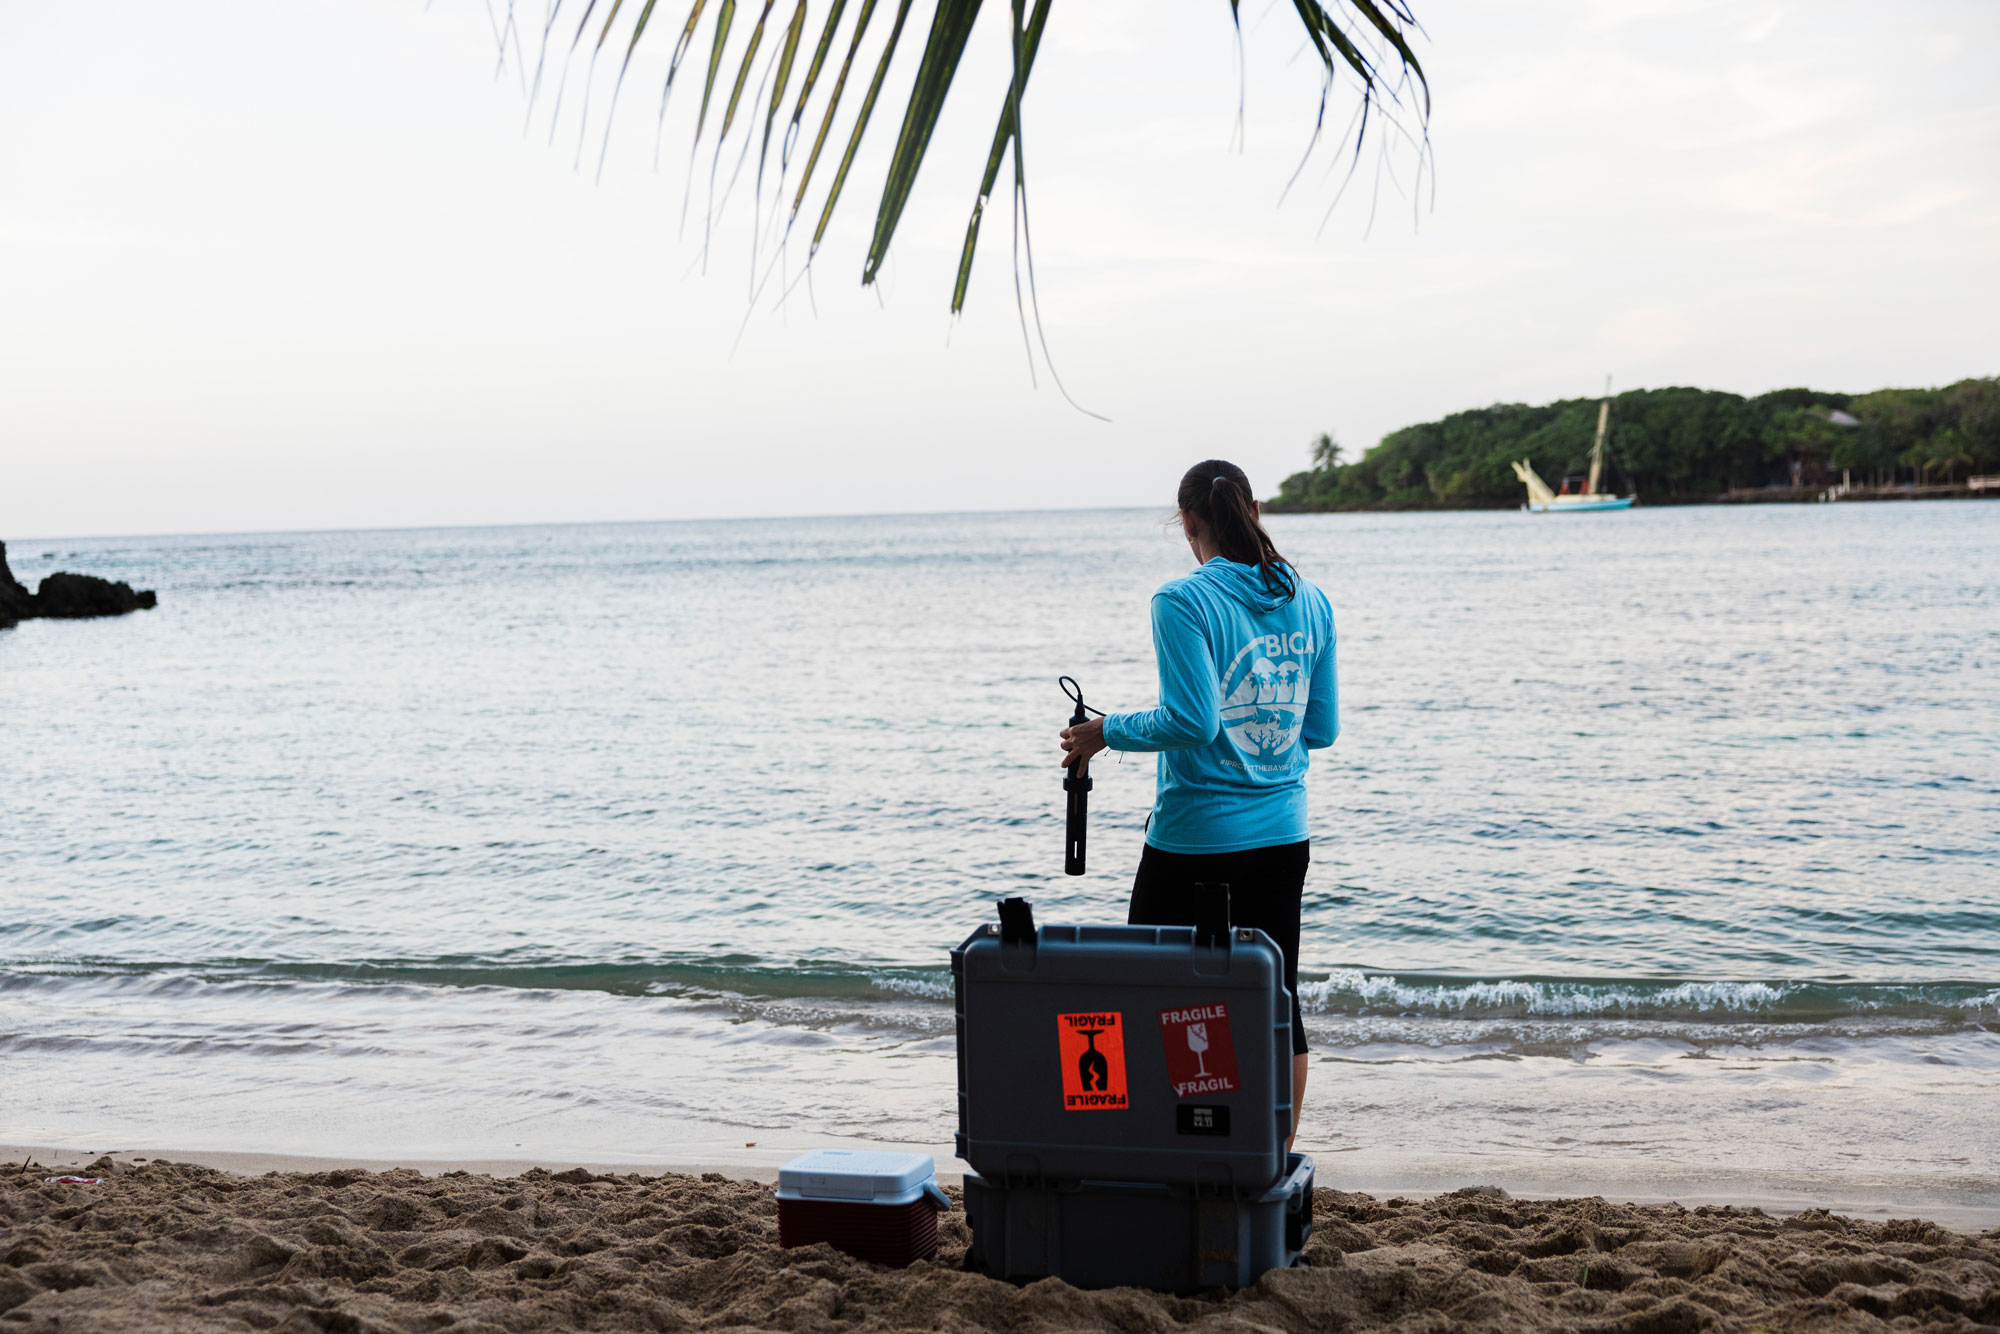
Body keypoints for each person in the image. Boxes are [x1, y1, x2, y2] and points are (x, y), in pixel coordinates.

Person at [1059, 459, 1337, 1148]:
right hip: (1282, 833)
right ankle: (1268, 1156)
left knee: (1155, 993)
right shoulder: (1312, 601)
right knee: (1276, 999)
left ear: (1188, 523)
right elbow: (1322, 728)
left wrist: (1105, 733)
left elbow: (1193, 721)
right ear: (1255, 510)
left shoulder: (1181, 601)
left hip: (1195, 841)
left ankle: (1171, 1140)